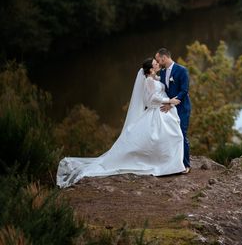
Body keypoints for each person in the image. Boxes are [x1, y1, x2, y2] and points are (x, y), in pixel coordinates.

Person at [56, 58, 185, 188]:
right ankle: (169, 165)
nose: (158, 64)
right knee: (171, 136)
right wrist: (169, 101)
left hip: (162, 112)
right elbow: (151, 99)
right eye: (155, 63)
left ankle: (172, 164)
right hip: (157, 111)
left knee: (173, 136)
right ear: (151, 69)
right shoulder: (149, 81)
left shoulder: (155, 78)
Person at [155, 48, 191, 173]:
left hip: (182, 108)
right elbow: (164, 90)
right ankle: (174, 164)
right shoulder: (163, 72)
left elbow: (184, 90)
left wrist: (171, 104)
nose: (158, 63)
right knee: (170, 134)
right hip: (169, 108)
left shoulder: (182, 70)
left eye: (158, 60)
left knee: (181, 134)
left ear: (164, 58)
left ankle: (186, 165)